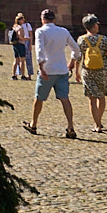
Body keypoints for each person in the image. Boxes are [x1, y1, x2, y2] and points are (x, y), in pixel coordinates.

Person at [22, 8, 78, 138]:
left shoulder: (40, 31)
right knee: (65, 99)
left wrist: (41, 67)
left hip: (47, 70)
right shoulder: (63, 31)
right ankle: (71, 127)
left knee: (39, 98)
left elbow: (39, 50)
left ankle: (34, 124)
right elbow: (75, 48)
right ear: (54, 19)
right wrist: (72, 61)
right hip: (62, 70)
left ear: (42, 19)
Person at [72, 14, 107, 132]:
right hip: (102, 71)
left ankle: (97, 124)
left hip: (87, 71)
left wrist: (77, 72)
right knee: (101, 97)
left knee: (92, 99)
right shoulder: (103, 39)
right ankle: (99, 121)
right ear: (94, 26)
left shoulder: (81, 39)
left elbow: (78, 57)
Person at [8, 13, 33, 80]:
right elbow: (20, 37)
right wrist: (27, 39)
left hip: (15, 44)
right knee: (22, 60)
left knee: (16, 60)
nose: (23, 20)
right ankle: (23, 75)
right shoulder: (20, 27)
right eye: (22, 19)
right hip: (20, 44)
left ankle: (14, 75)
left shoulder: (14, 26)